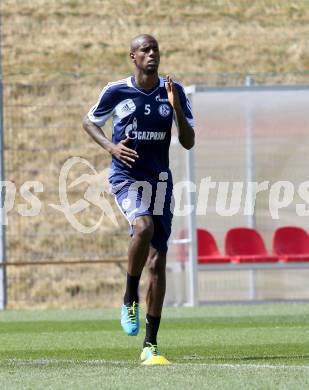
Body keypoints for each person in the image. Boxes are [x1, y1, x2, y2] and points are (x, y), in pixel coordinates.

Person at [83, 34, 195, 365]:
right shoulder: (117, 90)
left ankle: (150, 345)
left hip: (160, 182)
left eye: (155, 49)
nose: (151, 54)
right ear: (133, 57)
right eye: (145, 50)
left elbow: (188, 142)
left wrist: (176, 110)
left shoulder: (174, 92)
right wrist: (110, 147)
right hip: (127, 177)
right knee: (142, 227)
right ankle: (130, 296)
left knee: (158, 262)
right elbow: (89, 121)